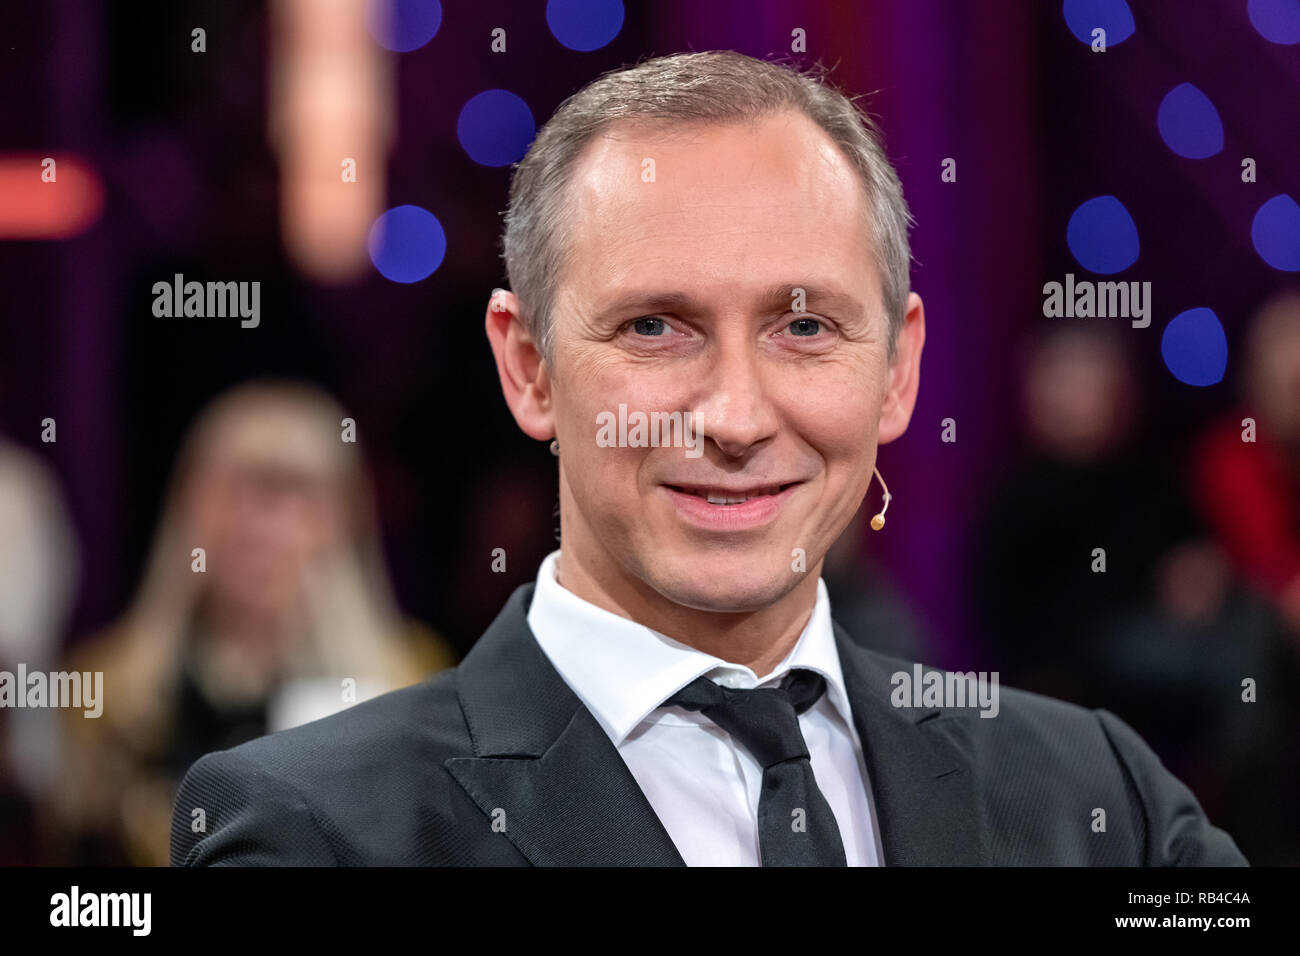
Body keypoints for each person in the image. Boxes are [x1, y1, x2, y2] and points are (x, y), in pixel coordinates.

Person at [172, 52, 1246, 866]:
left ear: (899, 370)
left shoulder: (1097, 801)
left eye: (805, 327)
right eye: (654, 327)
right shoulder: (316, 831)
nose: (734, 415)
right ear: (530, 369)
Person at [54, 380, 454, 865]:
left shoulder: (410, 683)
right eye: (234, 493)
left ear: (343, 521)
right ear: (186, 507)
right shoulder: (104, 687)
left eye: (293, 498)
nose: (259, 529)